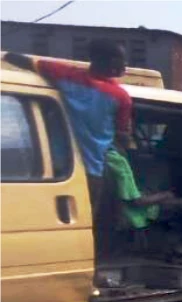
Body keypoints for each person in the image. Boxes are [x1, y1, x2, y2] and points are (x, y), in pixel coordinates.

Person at [4, 40, 133, 200]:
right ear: (109, 61)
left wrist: (5, 56)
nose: (124, 63)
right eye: (121, 58)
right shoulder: (121, 97)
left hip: (56, 165)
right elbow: (123, 134)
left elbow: (25, 62)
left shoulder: (66, 75)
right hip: (92, 170)